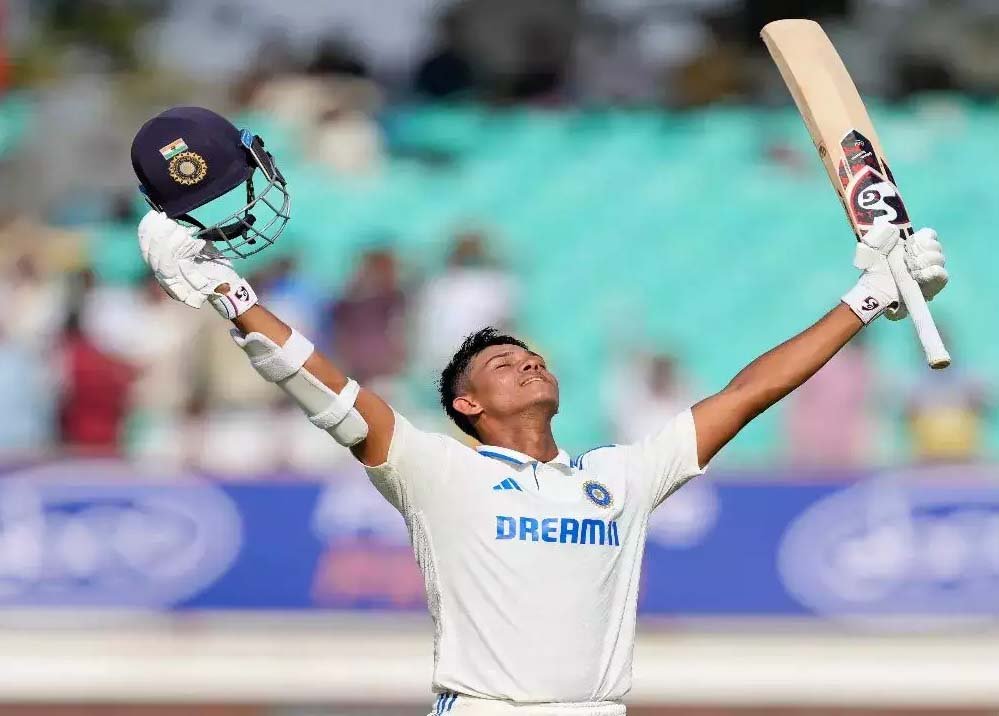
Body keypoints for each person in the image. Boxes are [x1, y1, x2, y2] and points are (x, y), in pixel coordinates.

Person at [130, 106, 949, 716]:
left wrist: (865, 297)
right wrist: (231, 296)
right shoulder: (436, 472)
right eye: (501, 363)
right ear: (465, 404)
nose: (527, 361)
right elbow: (329, 394)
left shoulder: (619, 478)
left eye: (531, 356)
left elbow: (746, 394)